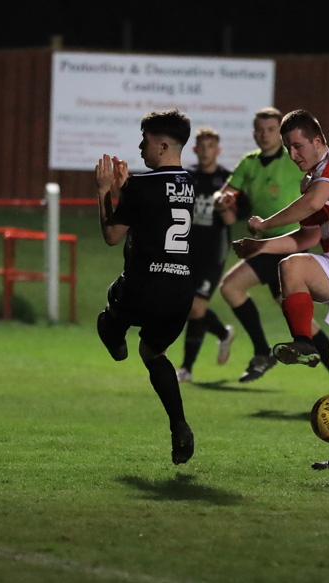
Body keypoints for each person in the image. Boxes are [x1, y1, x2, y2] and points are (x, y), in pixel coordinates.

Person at [233, 109, 329, 470]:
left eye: (298, 145)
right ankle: (303, 341)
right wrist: (260, 247)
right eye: (288, 148)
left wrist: (263, 225)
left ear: (319, 140)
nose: (293, 154)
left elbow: (312, 204)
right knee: (291, 267)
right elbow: (307, 236)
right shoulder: (313, 179)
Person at [95, 109, 197, 465]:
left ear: (164, 144)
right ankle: (180, 425)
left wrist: (107, 192)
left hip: (144, 286)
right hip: (180, 292)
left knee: (109, 313)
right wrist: (127, 190)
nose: (140, 147)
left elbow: (111, 236)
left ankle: (116, 339)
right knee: (153, 353)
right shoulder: (193, 185)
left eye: (146, 141)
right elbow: (161, 209)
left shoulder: (142, 185)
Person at [215, 107, 329, 384]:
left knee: (231, 287)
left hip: (289, 243)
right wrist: (223, 199)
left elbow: (316, 188)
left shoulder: (293, 158)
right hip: (268, 244)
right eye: (259, 130)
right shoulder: (250, 162)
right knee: (300, 319)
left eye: (270, 130)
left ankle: (261, 352)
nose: (264, 135)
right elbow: (227, 192)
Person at [176, 126, 236, 383]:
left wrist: (222, 205)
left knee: (196, 307)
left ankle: (186, 369)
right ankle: (223, 333)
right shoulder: (186, 176)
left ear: (218, 150)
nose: (206, 151)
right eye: (201, 146)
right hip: (187, 252)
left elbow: (234, 218)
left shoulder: (227, 180)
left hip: (214, 253)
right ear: (194, 150)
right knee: (189, 308)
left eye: (211, 146)